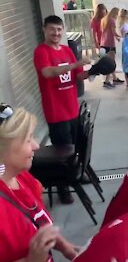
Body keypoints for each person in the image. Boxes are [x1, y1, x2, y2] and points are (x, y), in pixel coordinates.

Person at [0, 105, 79, 262]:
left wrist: (62, 245)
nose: (36, 146)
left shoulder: (23, 178)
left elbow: (36, 224)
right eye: (28, 140)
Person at [33, 15, 90, 204]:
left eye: (59, 29)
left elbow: (77, 76)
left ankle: (76, 176)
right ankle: (63, 188)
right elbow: (47, 72)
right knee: (62, 153)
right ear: (44, 30)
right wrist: (74, 65)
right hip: (56, 112)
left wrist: (94, 70)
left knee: (75, 148)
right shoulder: (41, 51)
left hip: (72, 108)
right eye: (52, 29)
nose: (56, 33)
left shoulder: (67, 50)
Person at [101, 7, 123, 89]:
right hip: (110, 44)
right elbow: (114, 32)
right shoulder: (112, 20)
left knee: (108, 62)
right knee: (111, 63)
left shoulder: (104, 20)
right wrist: (120, 36)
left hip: (103, 43)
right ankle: (107, 81)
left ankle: (114, 78)